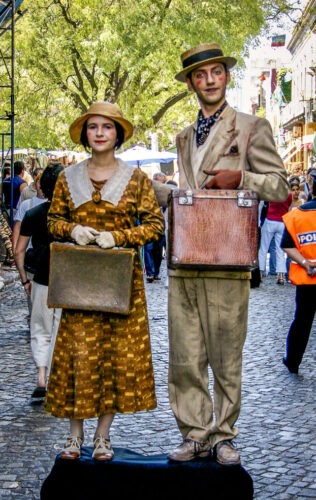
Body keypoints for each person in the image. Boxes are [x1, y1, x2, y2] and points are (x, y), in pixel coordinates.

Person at [168, 42, 289, 465]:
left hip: (227, 255)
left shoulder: (252, 126)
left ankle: (223, 435)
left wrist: (241, 177)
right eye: (199, 76)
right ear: (190, 84)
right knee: (184, 354)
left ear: (226, 76)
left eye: (215, 72)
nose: (209, 81)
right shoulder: (183, 137)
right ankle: (194, 432)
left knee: (225, 354)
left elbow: (280, 186)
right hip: (185, 257)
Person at [44, 102, 164, 461]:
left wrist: (122, 236)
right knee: (79, 356)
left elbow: (156, 225)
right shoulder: (67, 178)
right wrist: (72, 229)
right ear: (85, 134)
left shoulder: (138, 179)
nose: (99, 132)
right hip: (80, 282)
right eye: (93, 127)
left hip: (122, 283)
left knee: (115, 356)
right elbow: (52, 221)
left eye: (107, 127)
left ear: (117, 134)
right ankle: (74, 435)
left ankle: (103, 436)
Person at [14, 164, 64, 398]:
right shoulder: (74, 215)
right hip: (69, 281)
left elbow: (18, 250)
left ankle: (42, 378)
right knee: (60, 329)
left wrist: (25, 280)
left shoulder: (33, 214)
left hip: (41, 277)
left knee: (40, 329)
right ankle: (58, 376)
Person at [281, 171, 316, 373]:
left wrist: (304, 262)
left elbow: (286, 245)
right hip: (307, 278)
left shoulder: (297, 216)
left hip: (307, 278)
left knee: (302, 321)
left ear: (311, 189)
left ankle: (293, 360)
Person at [258, 193, 292, 284]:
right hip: (282, 221)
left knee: (263, 249)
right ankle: (280, 276)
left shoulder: (272, 192)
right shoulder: (289, 194)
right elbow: (289, 205)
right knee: (280, 250)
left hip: (270, 220)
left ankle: (260, 273)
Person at [144, 171, 166, 282]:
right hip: (148, 224)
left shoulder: (165, 195)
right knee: (148, 248)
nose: (160, 187)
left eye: (162, 183)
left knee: (158, 250)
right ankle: (150, 273)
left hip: (161, 226)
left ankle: (156, 272)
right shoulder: (146, 193)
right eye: (158, 183)